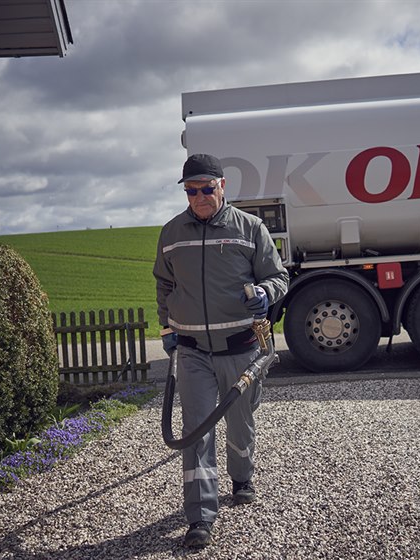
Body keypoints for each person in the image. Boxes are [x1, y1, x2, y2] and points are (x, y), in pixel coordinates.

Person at [153, 153, 289, 548]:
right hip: (193, 351)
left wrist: (266, 293)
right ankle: (200, 517)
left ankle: (242, 475)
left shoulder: (250, 228)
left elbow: (278, 276)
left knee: (241, 422)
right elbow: (163, 285)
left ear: (222, 186)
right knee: (196, 432)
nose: (199, 197)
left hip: (241, 349)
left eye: (206, 188)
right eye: (191, 190)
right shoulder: (171, 233)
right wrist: (167, 327)